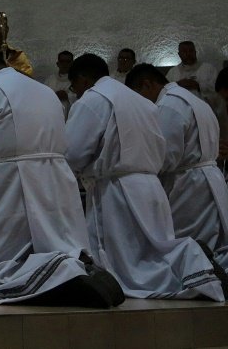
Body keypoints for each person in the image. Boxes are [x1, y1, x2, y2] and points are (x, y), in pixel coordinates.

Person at [0, 46, 124, 307]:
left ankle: (58, 277)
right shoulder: (45, 92)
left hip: (5, 185)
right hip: (53, 184)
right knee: (49, 246)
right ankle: (67, 271)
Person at [65, 53, 224, 300]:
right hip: (151, 185)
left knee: (130, 262)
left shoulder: (94, 99)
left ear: (83, 79)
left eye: (74, 86)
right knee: (153, 250)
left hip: (117, 189)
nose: (75, 92)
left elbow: (73, 151)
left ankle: (192, 267)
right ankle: (195, 267)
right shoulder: (144, 102)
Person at [126, 64, 228, 271]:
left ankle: (200, 281)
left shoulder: (168, 106)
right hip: (209, 178)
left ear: (147, 85)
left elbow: (164, 155)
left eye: (138, 96)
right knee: (212, 240)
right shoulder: (192, 100)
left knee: (189, 240)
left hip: (189, 185)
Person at [0, 11, 33, 77]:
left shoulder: (18, 57)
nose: (1, 31)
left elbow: (30, 81)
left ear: (7, 29)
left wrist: (11, 70)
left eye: (3, 27)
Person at [43, 50, 77, 116]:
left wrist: (68, 96)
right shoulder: (50, 79)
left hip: (69, 116)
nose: (65, 64)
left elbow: (83, 99)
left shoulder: (77, 80)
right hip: (51, 114)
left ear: (72, 63)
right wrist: (54, 95)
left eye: (68, 61)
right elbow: (43, 97)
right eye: (62, 61)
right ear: (58, 64)